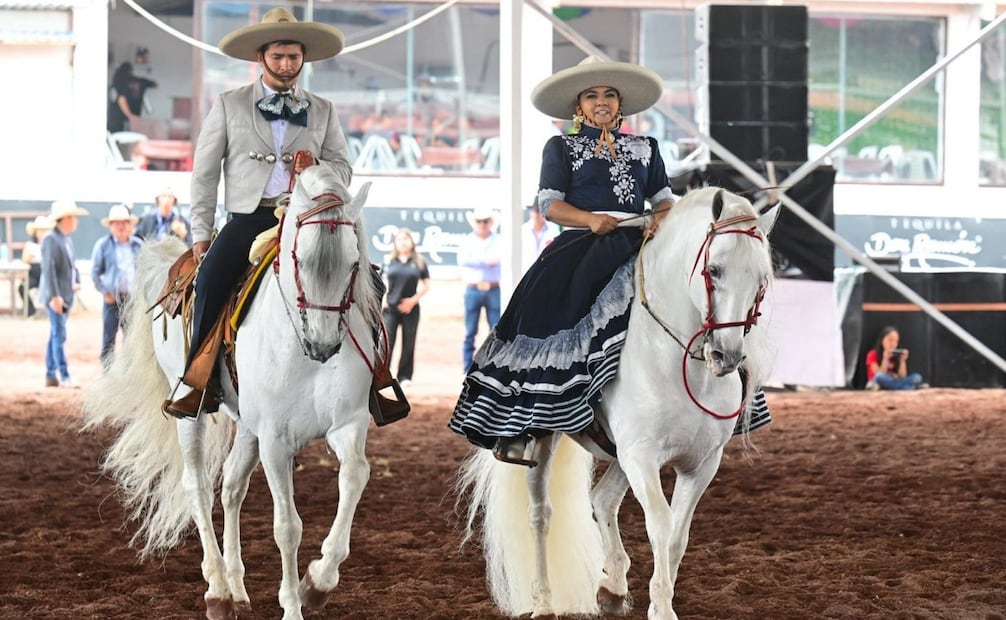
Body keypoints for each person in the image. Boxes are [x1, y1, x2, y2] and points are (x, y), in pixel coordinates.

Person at [450, 56, 774, 466]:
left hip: (638, 242)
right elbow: (549, 204)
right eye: (591, 96)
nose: (600, 102)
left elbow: (662, 201)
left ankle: (727, 390)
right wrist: (589, 219)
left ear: (620, 104)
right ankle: (528, 428)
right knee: (544, 312)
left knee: (698, 297)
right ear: (578, 106)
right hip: (581, 247)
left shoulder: (646, 147)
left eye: (608, 95)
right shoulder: (561, 146)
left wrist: (660, 222)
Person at [163, 8, 408, 426]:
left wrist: (316, 168)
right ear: (261, 58)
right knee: (209, 280)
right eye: (278, 56)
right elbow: (203, 176)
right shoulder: (228, 105)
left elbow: (344, 168)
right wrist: (201, 233)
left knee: (370, 279)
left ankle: (375, 377)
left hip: (309, 216)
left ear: (303, 59)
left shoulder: (324, 109)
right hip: (250, 217)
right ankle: (198, 379)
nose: (287, 64)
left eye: (293, 57)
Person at [39, 199, 89, 388]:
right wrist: (55, 296)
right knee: (59, 335)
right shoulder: (51, 239)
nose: (76, 221)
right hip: (56, 297)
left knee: (55, 334)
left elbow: (70, 267)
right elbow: (48, 269)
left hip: (63, 294)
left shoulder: (65, 239)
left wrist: (74, 282)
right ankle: (64, 374)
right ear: (66, 218)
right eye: (74, 217)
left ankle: (51, 374)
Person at [91, 204, 143, 365]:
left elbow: (145, 271)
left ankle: (128, 374)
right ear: (111, 226)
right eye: (117, 223)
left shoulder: (138, 245)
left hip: (132, 300)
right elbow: (95, 272)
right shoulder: (103, 245)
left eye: (124, 222)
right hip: (112, 299)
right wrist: (105, 292)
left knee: (131, 340)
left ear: (130, 225)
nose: (121, 226)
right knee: (109, 338)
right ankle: (107, 374)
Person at [382, 228, 431, 387]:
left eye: (406, 239)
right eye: (400, 239)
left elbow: (427, 285)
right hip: (390, 308)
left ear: (412, 241)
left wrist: (412, 301)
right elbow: (380, 282)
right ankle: (383, 376)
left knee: (409, 342)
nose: (403, 242)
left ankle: (404, 376)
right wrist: (383, 301)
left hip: (411, 309)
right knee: (387, 342)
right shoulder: (388, 260)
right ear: (395, 243)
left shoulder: (419, 261)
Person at [458, 204, 502, 372]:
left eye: (485, 221)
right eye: (479, 221)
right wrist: (486, 261)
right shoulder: (467, 241)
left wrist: (478, 260)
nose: (482, 224)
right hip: (474, 288)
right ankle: (468, 367)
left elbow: (498, 259)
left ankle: (494, 365)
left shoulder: (498, 240)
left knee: (496, 329)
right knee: (470, 331)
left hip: (492, 288)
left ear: (490, 222)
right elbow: (464, 261)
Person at [865, 326, 927, 390]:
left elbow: (902, 376)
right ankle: (910, 388)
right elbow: (878, 374)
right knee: (879, 377)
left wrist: (902, 361)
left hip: (893, 381)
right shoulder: (872, 354)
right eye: (890, 340)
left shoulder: (896, 355)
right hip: (879, 382)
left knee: (917, 377)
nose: (893, 344)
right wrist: (885, 358)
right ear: (882, 340)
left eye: (896, 341)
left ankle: (901, 387)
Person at [107, 62, 157, 133]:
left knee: (116, 138)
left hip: (116, 120)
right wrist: (131, 116)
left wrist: (130, 116)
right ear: (131, 71)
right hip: (130, 120)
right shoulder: (138, 82)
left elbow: (120, 99)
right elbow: (154, 84)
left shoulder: (116, 83)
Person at [19, 215, 53, 317]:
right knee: (22, 287)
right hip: (33, 274)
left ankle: (51, 311)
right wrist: (29, 259)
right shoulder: (29, 245)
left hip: (47, 276)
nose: (42, 233)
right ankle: (31, 311)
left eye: (44, 230)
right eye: (40, 230)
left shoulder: (52, 244)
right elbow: (24, 260)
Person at [520, 196, 561, 272]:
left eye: (538, 211)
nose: (536, 214)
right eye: (534, 211)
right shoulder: (523, 230)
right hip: (525, 271)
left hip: (545, 271)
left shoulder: (554, 231)